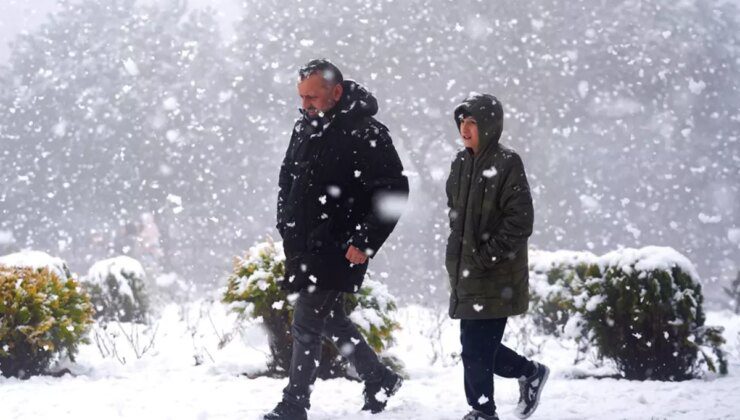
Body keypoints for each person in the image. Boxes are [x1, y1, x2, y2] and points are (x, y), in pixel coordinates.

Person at [265, 59, 409, 420]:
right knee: (330, 319)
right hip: (304, 245)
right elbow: (287, 181)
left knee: (306, 321)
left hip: (340, 246)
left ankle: (294, 404)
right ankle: (378, 378)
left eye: (313, 96)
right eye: (302, 97)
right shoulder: (304, 129)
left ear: (337, 92)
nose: (306, 104)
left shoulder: (366, 132)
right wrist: (285, 223)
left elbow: (393, 192)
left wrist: (365, 240)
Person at [445, 93, 549, 420]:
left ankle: (482, 411)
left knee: (476, 347)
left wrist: (486, 256)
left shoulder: (507, 163)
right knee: (476, 347)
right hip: (467, 273)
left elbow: (520, 220)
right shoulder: (460, 163)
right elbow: (455, 213)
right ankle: (529, 372)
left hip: (496, 275)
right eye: (462, 121)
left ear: (488, 125)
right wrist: (460, 257)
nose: (465, 127)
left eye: (473, 121)